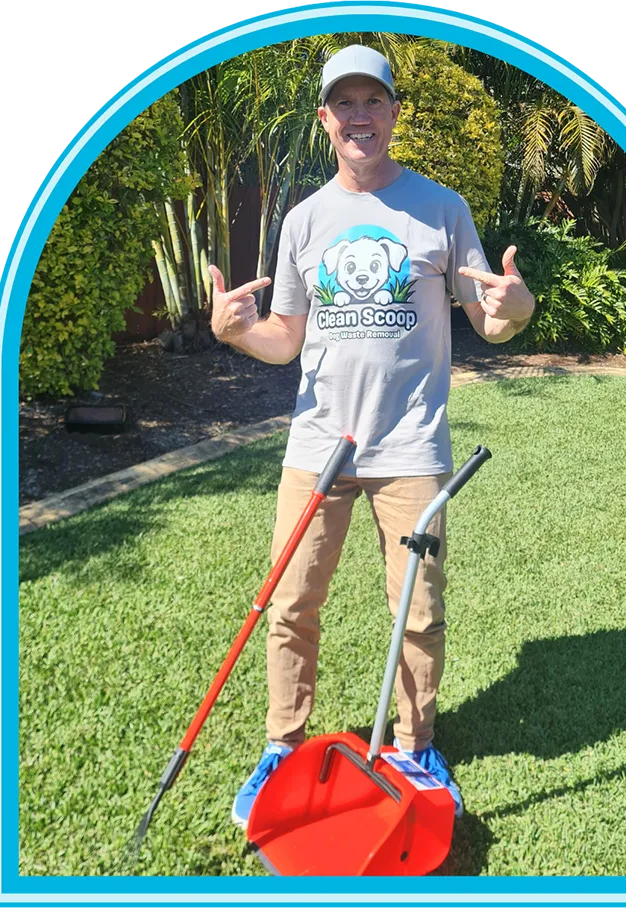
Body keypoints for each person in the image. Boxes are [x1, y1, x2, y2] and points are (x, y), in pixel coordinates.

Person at [208, 44, 535, 828]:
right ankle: (284, 744)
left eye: (373, 101)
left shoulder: (441, 209)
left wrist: (517, 306)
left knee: (417, 610)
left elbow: (490, 319)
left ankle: (415, 748)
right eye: (343, 103)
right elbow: (286, 336)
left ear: (393, 113)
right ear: (324, 119)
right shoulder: (304, 219)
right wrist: (234, 335)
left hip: (411, 448)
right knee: (290, 603)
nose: (359, 116)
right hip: (318, 445)